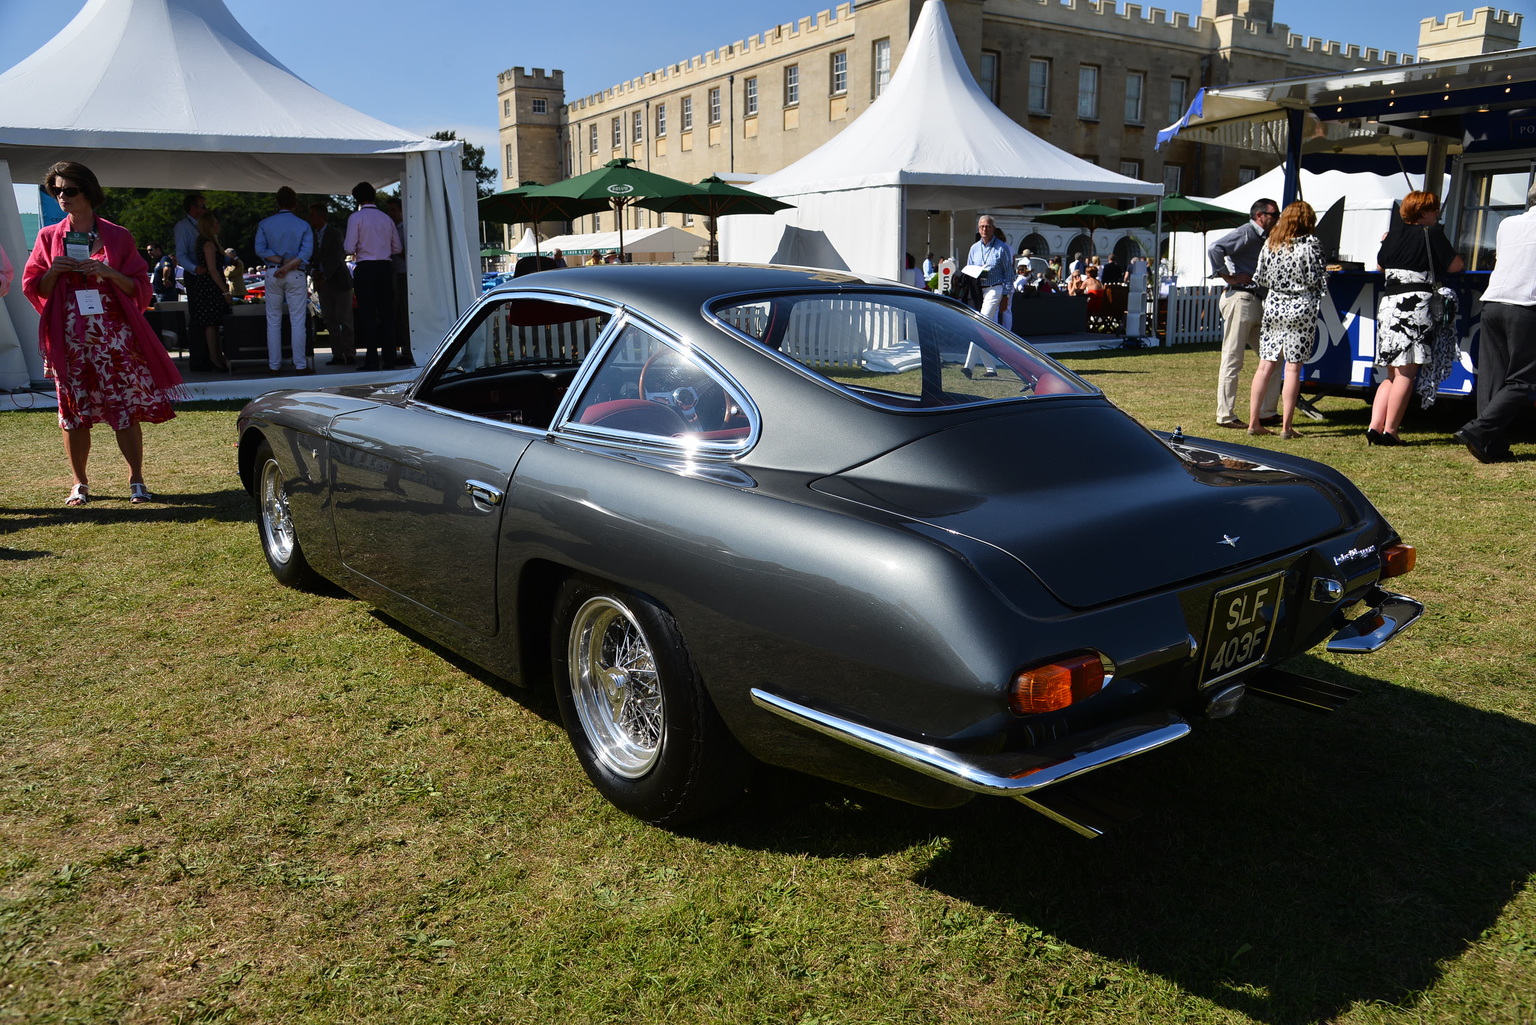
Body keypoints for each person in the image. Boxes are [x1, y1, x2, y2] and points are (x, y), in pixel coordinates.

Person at [21, 161, 183, 507]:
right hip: (69, 339)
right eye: (57, 190)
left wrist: (107, 272)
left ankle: (136, 478)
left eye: (70, 190)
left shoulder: (117, 235)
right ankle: (79, 482)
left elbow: (140, 286)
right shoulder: (49, 237)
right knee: (73, 411)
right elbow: (34, 285)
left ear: (88, 192)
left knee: (122, 405)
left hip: (113, 337)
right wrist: (54, 271)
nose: (62, 196)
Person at [1368, 190, 1465, 446]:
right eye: (1434, 210)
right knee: (1407, 373)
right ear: (1423, 213)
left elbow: (1380, 266)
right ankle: (1391, 430)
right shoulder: (1431, 234)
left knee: (1391, 373)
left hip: (1388, 305)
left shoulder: (1391, 234)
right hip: (1415, 306)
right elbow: (1456, 266)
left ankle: (1374, 427)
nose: (1437, 214)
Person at [1455, 180, 1536, 463]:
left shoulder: (1508, 224)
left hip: (1493, 302)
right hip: (1526, 304)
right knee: (1521, 380)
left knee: (1493, 379)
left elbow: (1501, 258)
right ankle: (1478, 429)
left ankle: (1492, 446)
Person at [1246, 201, 1327, 440]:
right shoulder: (1312, 245)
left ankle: (1253, 422)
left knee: (1265, 365)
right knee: (1292, 367)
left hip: (1274, 306)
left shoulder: (1271, 243)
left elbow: (1259, 277)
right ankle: (1286, 427)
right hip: (1302, 307)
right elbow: (1318, 281)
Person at [1209, 197, 1282, 429]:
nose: (1277, 218)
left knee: (1273, 357)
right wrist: (1226, 276)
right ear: (1259, 216)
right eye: (1273, 214)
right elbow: (1215, 248)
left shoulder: (1262, 236)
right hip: (1241, 298)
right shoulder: (1247, 232)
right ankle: (1225, 415)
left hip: (1256, 301)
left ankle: (1266, 412)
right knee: (1233, 358)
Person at [255, 186, 314, 372]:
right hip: (296, 273)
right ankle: (300, 364)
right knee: (298, 321)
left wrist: (281, 263)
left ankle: (274, 365)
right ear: (295, 203)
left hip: (273, 271)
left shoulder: (265, 224)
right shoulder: (303, 225)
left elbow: (261, 250)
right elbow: (306, 253)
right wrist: (289, 266)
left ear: (277, 202)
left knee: (273, 321)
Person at [344, 181, 400, 371]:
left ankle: (371, 359)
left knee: (367, 314)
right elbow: (397, 248)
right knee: (387, 314)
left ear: (356, 199)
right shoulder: (386, 219)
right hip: (385, 267)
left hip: (366, 267)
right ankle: (390, 358)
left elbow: (349, 247)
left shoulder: (356, 218)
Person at [963, 215, 1014, 373]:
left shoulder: (1002, 248)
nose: (984, 229)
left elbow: (1009, 274)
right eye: (982, 226)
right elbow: (969, 268)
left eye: (988, 226)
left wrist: (1005, 295)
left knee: (980, 323)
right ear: (978, 229)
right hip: (979, 289)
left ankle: (968, 366)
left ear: (993, 228)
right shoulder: (974, 248)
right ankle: (991, 368)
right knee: (985, 329)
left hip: (995, 288)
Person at [308, 203, 355, 366]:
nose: (311, 218)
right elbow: (307, 257)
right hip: (322, 284)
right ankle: (337, 354)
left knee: (345, 320)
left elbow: (336, 258)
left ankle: (350, 353)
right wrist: (313, 272)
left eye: (313, 214)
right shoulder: (310, 236)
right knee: (330, 320)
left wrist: (325, 276)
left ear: (323, 216)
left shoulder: (335, 234)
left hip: (339, 282)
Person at [189, 210, 232, 370]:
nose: (217, 225)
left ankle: (218, 356)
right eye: (214, 223)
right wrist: (225, 291)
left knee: (213, 324)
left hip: (208, 285)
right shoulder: (208, 243)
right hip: (210, 287)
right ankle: (214, 358)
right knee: (211, 324)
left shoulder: (205, 242)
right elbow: (213, 270)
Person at [384, 197, 412, 367]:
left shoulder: (405, 229)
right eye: (389, 210)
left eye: (393, 210)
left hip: (405, 274)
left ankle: (408, 351)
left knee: (405, 314)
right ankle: (403, 349)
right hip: (394, 274)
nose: (391, 214)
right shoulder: (392, 228)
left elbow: (405, 252)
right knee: (397, 315)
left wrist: (392, 247)